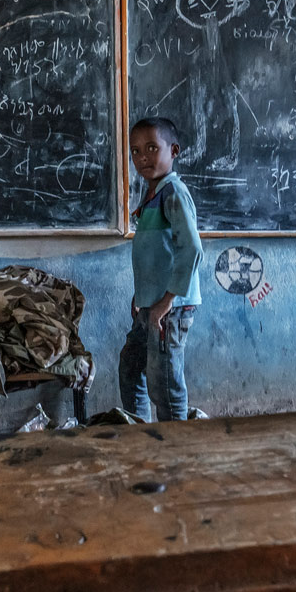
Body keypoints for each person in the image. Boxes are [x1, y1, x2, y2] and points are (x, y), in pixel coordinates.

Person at [119, 117, 203, 421]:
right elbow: (155, 255)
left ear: (174, 150)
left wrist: (164, 303)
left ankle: (173, 451)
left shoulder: (173, 193)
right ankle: (142, 434)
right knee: (131, 367)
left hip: (170, 309)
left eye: (152, 148)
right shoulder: (153, 195)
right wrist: (140, 296)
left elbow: (192, 250)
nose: (143, 158)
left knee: (165, 385)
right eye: (136, 151)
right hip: (151, 305)